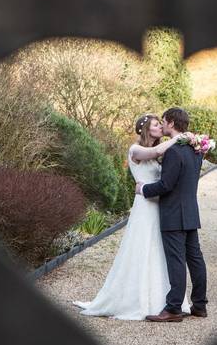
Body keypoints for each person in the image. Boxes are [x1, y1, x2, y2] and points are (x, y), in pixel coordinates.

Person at [72, 114, 191, 320]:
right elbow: (155, 150)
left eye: (160, 124)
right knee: (142, 248)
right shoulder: (136, 149)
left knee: (159, 252)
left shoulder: (159, 155)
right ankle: (135, 299)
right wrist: (180, 137)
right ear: (145, 129)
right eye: (156, 124)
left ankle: (164, 299)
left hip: (159, 207)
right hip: (145, 207)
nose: (160, 127)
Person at [136, 107, 208, 323]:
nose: (162, 124)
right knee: (195, 259)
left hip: (173, 215)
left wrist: (144, 190)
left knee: (176, 261)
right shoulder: (196, 150)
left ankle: (174, 309)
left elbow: (166, 185)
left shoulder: (174, 151)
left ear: (171, 123)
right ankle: (200, 305)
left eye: (164, 121)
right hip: (190, 212)